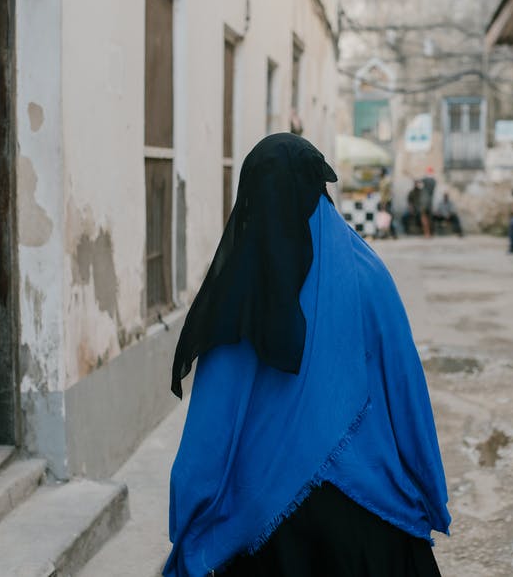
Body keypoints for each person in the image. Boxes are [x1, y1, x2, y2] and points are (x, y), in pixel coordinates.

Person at [166, 133, 451, 577]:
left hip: (263, 532)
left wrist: (191, 521)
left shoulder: (239, 293)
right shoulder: (369, 276)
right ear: (320, 188)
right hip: (370, 522)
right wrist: (429, 489)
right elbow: (407, 395)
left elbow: (211, 428)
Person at [418, 167, 437, 238]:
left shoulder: (424, 180)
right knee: (430, 218)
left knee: (424, 217)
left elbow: (419, 183)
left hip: (423, 202)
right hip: (430, 202)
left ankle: (427, 233)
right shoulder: (434, 181)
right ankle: (430, 233)